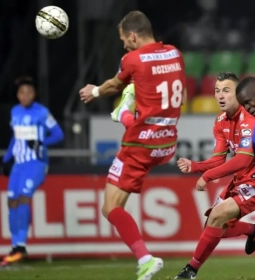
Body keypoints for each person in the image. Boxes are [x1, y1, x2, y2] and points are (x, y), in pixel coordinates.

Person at [79, 11, 186, 280]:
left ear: (133, 35)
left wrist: (93, 91)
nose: (124, 44)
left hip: (139, 145)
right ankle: (124, 115)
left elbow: (115, 84)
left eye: (124, 39)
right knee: (116, 202)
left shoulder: (133, 58)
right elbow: (173, 91)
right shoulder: (175, 53)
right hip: (167, 142)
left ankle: (146, 260)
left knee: (110, 207)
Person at [174, 72, 255, 279]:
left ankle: (190, 270)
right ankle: (254, 229)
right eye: (217, 91)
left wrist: (207, 177)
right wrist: (195, 166)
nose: (220, 96)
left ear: (238, 94)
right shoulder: (221, 121)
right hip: (243, 179)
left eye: (226, 91)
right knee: (212, 226)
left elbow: (242, 160)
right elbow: (218, 159)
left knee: (216, 217)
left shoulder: (250, 120)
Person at [1, 77, 64, 266]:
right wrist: (5, 159)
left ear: (34, 94)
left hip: (36, 163)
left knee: (23, 197)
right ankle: (16, 246)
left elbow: (59, 135)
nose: (25, 96)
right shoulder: (15, 111)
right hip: (19, 165)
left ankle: (20, 245)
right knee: (11, 201)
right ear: (18, 95)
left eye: (28, 92)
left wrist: (41, 142)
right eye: (21, 92)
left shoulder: (42, 113)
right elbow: (15, 137)